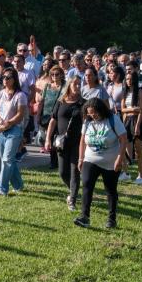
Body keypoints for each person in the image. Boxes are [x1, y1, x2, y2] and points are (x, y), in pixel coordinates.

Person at [74, 97, 128, 229]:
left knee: (110, 190)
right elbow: (82, 141)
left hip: (111, 161)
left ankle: (111, 219)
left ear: (101, 110)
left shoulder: (113, 120)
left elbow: (123, 139)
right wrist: (80, 159)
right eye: (90, 113)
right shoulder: (87, 122)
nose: (93, 116)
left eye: (95, 113)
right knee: (86, 185)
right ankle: (84, 217)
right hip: (90, 158)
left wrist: (119, 159)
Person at [44, 75, 85, 211]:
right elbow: (53, 121)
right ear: (69, 85)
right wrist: (48, 139)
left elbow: (87, 123)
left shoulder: (83, 103)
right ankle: (73, 190)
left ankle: (72, 199)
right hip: (61, 142)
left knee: (75, 171)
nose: (78, 87)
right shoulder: (60, 101)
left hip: (77, 142)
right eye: (75, 84)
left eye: (80, 84)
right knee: (62, 172)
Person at [0, 67, 27, 196]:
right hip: (0, 130)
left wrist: (8, 124)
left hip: (14, 130)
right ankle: (18, 184)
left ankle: (1, 188)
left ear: (14, 79)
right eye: (3, 77)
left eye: (8, 77)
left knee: (7, 159)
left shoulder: (20, 95)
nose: (5, 80)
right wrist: (1, 122)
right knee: (7, 160)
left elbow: (20, 115)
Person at [120, 71, 142, 185]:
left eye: (130, 79)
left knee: (138, 150)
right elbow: (122, 109)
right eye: (127, 79)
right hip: (127, 121)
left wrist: (137, 126)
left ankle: (141, 175)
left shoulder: (140, 92)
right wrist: (132, 109)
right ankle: (125, 173)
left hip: (136, 121)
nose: (128, 81)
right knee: (122, 148)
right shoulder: (125, 92)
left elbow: (141, 110)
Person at [38, 65, 64, 167]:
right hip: (46, 115)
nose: (54, 76)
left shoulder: (64, 87)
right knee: (49, 138)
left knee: (57, 138)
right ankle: (53, 161)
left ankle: (57, 161)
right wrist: (38, 115)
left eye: (57, 74)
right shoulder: (47, 86)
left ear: (61, 75)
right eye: (52, 74)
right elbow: (42, 101)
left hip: (59, 115)